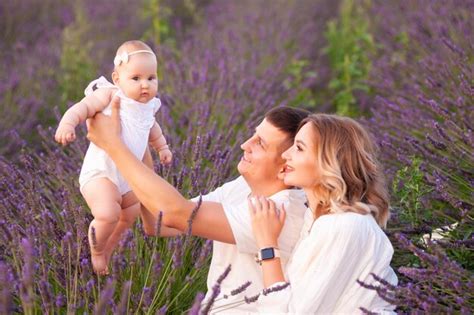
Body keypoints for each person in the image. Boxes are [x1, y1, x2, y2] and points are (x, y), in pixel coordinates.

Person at [86, 102, 310, 313]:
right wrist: (136, 143)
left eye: (259, 143)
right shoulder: (244, 187)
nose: (245, 145)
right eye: (253, 134)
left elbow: (175, 214)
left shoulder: (279, 212)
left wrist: (113, 145)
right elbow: (158, 222)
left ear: (286, 167)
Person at [249, 113, 398, 313]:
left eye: (299, 148)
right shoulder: (320, 220)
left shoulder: (343, 226)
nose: (286, 154)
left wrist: (267, 246)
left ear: (329, 162)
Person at [54, 40, 174, 274]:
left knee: (129, 215)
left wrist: (163, 148)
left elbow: (152, 129)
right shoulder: (110, 95)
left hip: (127, 177)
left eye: (151, 78)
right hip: (101, 174)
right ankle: (96, 252)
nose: (145, 85)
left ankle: (108, 251)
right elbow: (82, 108)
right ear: (117, 78)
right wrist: (68, 123)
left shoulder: (148, 107)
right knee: (108, 214)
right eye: (136, 78)